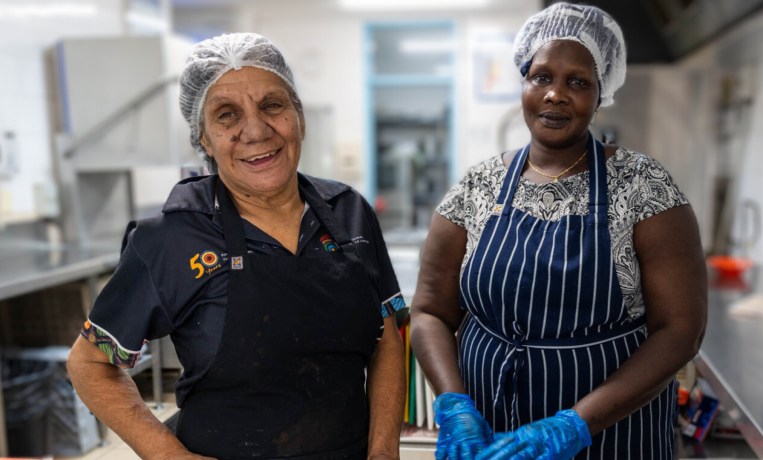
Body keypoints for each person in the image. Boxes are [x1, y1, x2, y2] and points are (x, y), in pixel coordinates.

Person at [67, 33, 406, 460]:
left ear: (298, 115)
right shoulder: (169, 237)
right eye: (227, 116)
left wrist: (383, 451)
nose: (256, 130)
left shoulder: (349, 211)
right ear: (204, 139)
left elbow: (387, 339)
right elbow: (89, 364)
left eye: (273, 105)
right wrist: (170, 456)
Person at [410, 4, 707, 460]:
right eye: (542, 77)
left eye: (578, 82)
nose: (555, 95)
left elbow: (681, 330)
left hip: (613, 437)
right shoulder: (477, 185)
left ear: (601, 91)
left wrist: (574, 425)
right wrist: (452, 403)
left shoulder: (644, 187)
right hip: (491, 434)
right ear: (524, 82)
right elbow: (430, 310)